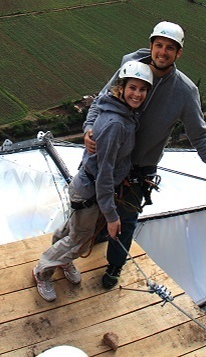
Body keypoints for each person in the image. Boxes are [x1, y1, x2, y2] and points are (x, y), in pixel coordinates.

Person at [84, 20, 206, 289]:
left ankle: (114, 265)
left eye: (170, 48)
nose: (163, 52)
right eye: (158, 45)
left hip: (138, 167)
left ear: (178, 53)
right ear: (151, 46)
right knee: (90, 205)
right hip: (107, 154)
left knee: (125, 219)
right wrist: (89, 128)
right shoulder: (131, 67)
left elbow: (200, 134)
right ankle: (94, 237)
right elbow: (103, 99)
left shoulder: (184, 92)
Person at [33, 61, 154, 302]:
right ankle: (43, 271)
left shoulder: (121, 112)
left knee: (73, 229)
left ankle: (62, 260)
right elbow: (105, 173)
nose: (137, 94)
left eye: (142, 89)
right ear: (121, 88)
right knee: (78, 239)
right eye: (133, 87)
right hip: (90, 191)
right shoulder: (116, 124)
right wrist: (111, 216)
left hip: (85, 187)